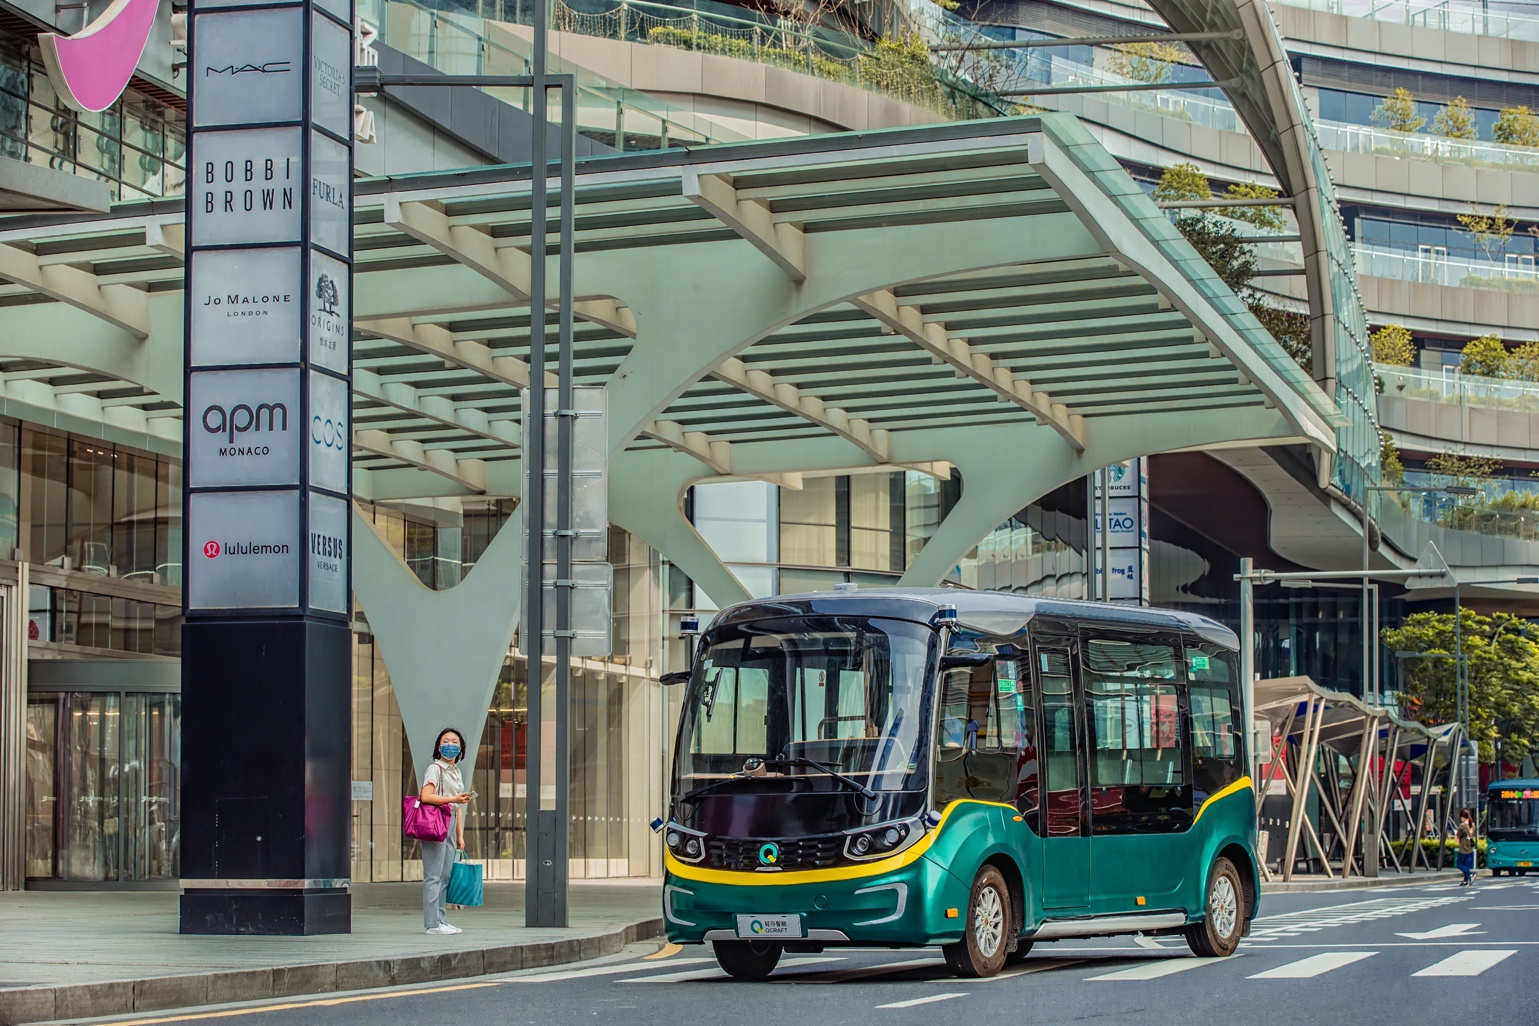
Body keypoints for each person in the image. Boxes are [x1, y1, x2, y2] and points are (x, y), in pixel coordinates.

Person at [420, 727, 472, 934]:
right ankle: (432, 924)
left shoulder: (456, 771)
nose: (450, 744)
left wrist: (459, 834)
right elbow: (426, 796)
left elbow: (457, 807)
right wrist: (453, 799)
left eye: (454, 741)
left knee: (445, 875)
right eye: (445, 741)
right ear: (439, 746)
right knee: (433, 875)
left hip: (450, 821)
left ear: (460, 748)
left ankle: (441, 919)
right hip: (436, 822)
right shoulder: (435, 769)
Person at [1456, 808, 1477, 887]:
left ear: (1462, 817)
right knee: (1465, 864)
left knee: (1459, 864)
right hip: (1470, 847)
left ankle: (1470, 874)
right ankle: (1465, 881)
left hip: (1463, 847)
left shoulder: (1462, 826)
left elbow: (1457, 837)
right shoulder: (1472, 825)